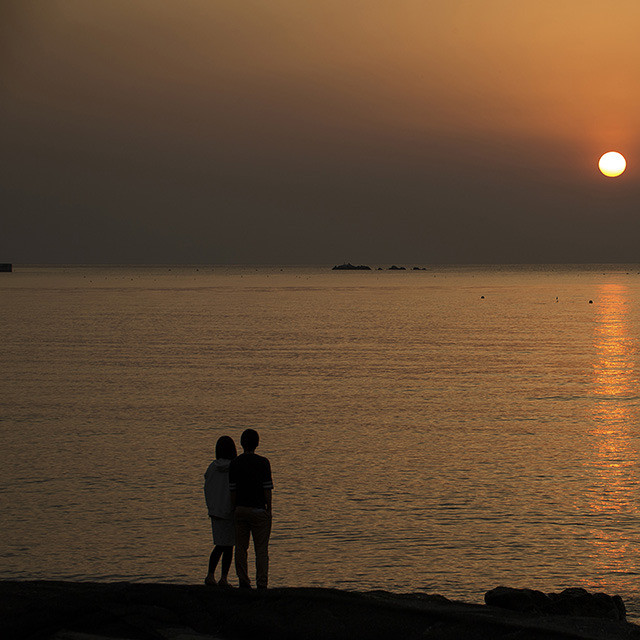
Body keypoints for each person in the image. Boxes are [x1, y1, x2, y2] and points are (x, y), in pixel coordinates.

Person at [229, 428, 273, 589]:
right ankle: (261, 583)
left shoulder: (234, 463)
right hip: (259, 510)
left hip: (240, 509)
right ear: (257, 444)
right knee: (261, 549)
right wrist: (270, 509)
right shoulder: (263, 462)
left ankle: (243, 580)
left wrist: (234, 508)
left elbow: (232, 490)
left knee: (241, 548)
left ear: (241, 444)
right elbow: (267, 489)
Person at [203, 435, 237, 587]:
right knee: (228, 546)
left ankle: (211, 574)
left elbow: (207, 486)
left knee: (219, 544)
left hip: (215, 511)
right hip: (229, 511)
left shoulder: (212, 468)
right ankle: (223, 577)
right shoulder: (234, 468)